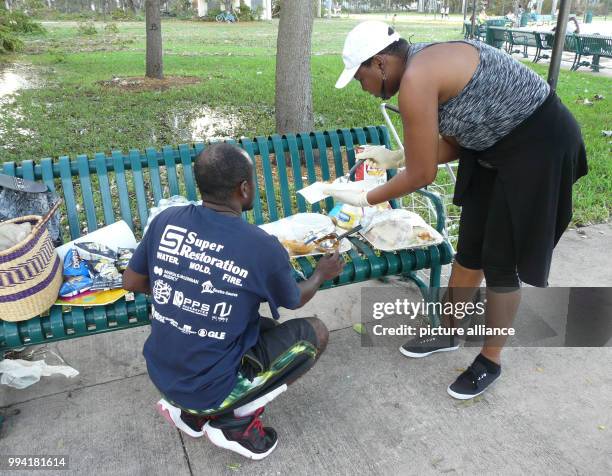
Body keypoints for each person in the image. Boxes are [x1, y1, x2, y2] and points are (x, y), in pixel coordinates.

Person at [326, 21, 587, 399]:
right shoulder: (422, 63)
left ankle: (490, 360)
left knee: (500, 261)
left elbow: (423, 173)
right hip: (492, 149)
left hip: (538, 149)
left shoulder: (416, 79)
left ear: (380, 63)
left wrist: (363, 197)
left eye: (359, 77)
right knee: (470, 250)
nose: (363, 88)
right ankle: (449, 329)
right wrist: (396, 156)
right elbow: (453, 141)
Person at [123, 143, 344, 459]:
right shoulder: (260, 246)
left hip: (161, 374)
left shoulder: (166, 220)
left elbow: (131, 281)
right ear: (244, 188)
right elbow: (294, 299)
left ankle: (190, 414)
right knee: (315, 333)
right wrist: (322, 274)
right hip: (208, 389)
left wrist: (182, 293)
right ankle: (232, 423)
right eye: (252, 181)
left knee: (263, 328)